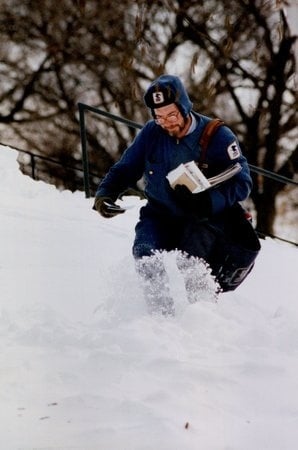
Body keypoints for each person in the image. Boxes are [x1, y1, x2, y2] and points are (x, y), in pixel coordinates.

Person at [93, 75, 260, 315]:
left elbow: (242, 181)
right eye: (158, 117)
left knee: (192, 270)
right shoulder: (152, 133)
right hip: (159, 215)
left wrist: (209, 202)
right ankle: (161, 319)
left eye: (171, 115)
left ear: (184, 107)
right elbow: (127, 167)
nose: (166, 123)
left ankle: (201, 322)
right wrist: (106, 193)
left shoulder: (217, 136)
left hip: (200, 221)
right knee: (144, 253)